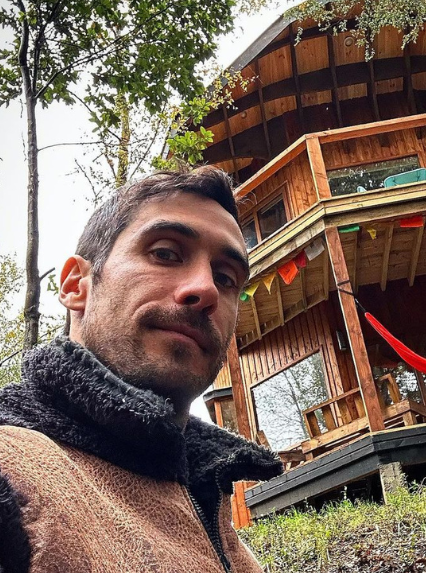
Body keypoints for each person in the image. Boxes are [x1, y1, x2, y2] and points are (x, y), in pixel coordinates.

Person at [0, 168, 283, 573]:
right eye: (165, 253)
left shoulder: (216, 511)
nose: (205, 289)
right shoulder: (12, 476)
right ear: (75, 285)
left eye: (225, 278)